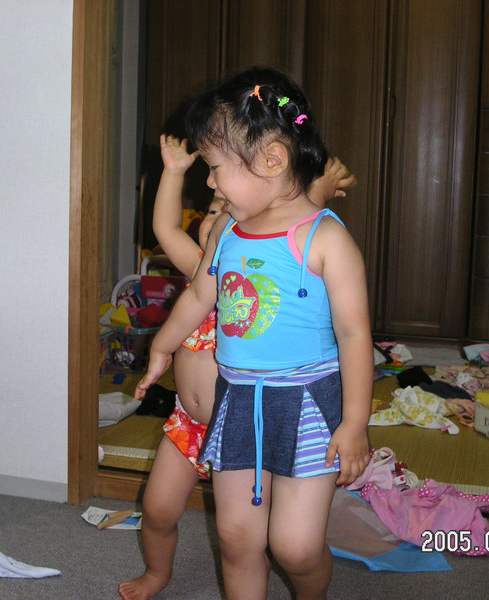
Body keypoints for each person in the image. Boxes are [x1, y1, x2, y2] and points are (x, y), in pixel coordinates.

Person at [134, 66, 373, 600]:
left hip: (306, 402)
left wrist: (356, 422)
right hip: (238, 399)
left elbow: (356, 335)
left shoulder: (325, 238)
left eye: (216, 168)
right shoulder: (227, 230)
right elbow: (200, 296)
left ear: (272, 160)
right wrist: (162, 345)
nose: (210, 183)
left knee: (295, 547)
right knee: (237, 539)